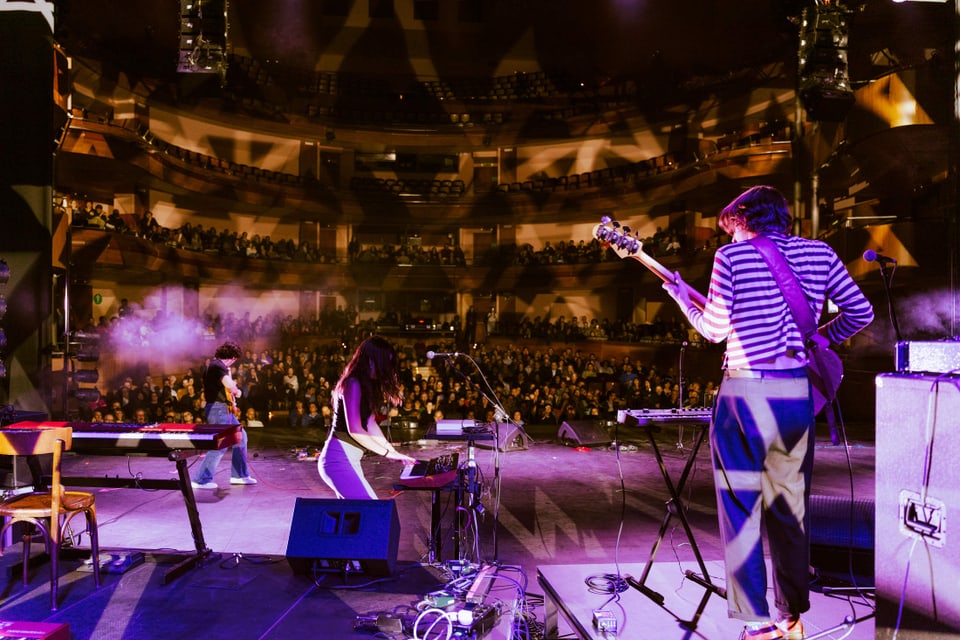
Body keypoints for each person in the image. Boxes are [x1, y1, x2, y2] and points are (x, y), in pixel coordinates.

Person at [661, 186, 873, 640]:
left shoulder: (731, 258)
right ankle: (791, 619)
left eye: (731, 227)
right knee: (790, 506)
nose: (731, 236)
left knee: (740, 507)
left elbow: (715, 330)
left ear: (741, 219)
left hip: (745, 393)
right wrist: (819, 339)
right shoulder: (820, 253)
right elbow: (861, 311)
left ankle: (756, 625)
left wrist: (683, 299)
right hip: (795, 394)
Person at [318, 335, 416, 499]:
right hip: (338, 459)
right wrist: (386, 453)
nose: (386, 369)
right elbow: (355, 429)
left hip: (348, 460)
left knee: (356, 518)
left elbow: (370, 425)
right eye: (385, 362)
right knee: (372, 511)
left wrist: (394, 453)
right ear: (371, 360)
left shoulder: (366, 385)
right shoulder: (352, 383)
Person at [191, 341, 257, 489]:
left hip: (218, 409)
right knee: (222, 444)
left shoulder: (216, 367)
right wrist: (237, 391)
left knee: (240, 438)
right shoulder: (217, 366)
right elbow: (228, 385)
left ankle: (239, 476)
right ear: (232, 357)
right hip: (218, 409)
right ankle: (201, 479)